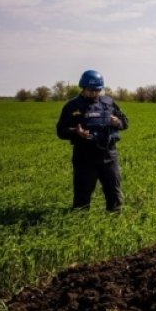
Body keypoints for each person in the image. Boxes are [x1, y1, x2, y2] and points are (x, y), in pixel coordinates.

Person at [56, 70, 129, 212]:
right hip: (84, 156)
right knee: (82, 196)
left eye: (98, 90)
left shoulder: (108, 102)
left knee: (114, 193)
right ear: (83, 87)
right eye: (91, 90)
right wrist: (76, 133)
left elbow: (125, 123)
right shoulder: (72, 106)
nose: (95, 93)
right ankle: (80, 222)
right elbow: (60, 131)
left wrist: (117, 122)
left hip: (109, 155)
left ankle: (115, 220)